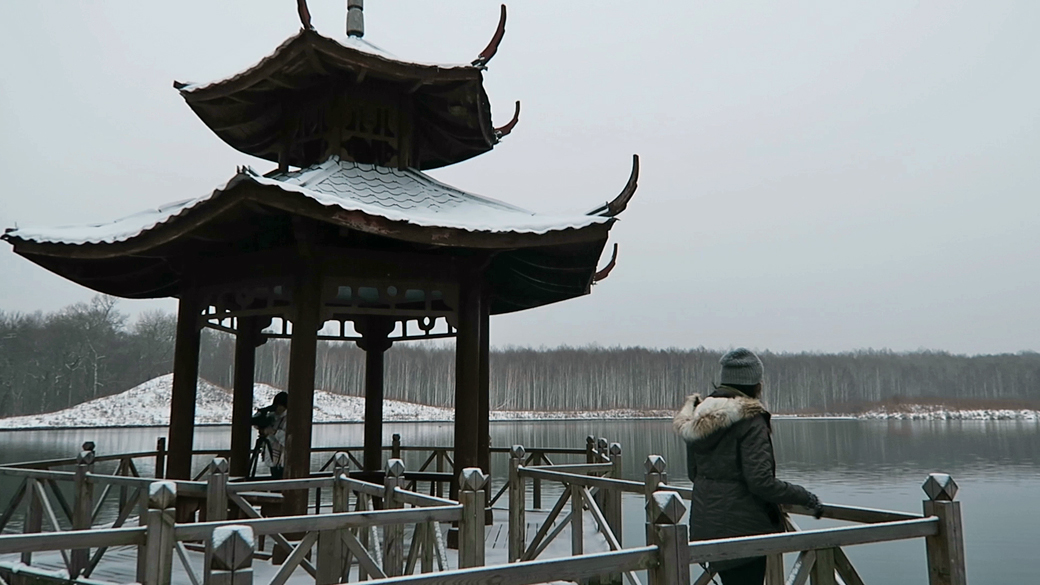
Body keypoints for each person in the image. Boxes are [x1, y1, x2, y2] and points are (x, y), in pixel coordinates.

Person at [673, 348, 823, 585]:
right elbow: (761, 482)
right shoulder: (750, 420)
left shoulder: (699, 417)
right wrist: (805, 497)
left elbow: (694, 474)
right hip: (745, 530)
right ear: (754, 383)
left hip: (707, 526)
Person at [262, 391, 288, 479]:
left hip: (282, 462)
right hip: (273, 459)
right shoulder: (272, 417)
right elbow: (255, 422)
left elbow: (288, 441)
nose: (277, 408)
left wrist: (274, 432)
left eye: (279, 406)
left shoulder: (288, 419)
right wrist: (263, 412)